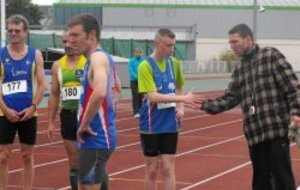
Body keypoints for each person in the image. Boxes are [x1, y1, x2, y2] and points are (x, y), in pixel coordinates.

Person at [197, 23, 300, 190]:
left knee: (283, 182)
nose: (232, 47)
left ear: (248, 39)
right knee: (260, 185)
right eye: (230, 43)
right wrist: (203, 104)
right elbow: (229, 99)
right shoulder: (240, 70)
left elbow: (293, 88)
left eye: (235, 42)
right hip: (254, 137)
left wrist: (296, 113)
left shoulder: (270, 55)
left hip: (276, 133)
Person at [137, 28, 202, 190]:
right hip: (151, 124)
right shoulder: (145, 66)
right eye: (168, 45)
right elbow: (152, 96)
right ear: (157, 44)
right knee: (152, 170)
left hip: (170, 123)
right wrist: (183, 99)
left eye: (173, 45)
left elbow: (179, 86)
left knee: (168, 168)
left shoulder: (174, 63)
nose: (172, 49)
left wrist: (181, 107)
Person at [67, 13, 117, 190]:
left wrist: (84, 124)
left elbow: (100, 92)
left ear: (92, 35)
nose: (70, 40)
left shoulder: (98, 58)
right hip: (94, 137)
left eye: (75, 35)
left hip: (97, 138)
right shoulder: (95, 60)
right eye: (69, 35)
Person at [0, 14, 46, 190]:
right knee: (3, 155)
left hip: (29, 113)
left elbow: (42, 85)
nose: (13, 33)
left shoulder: (35, 55)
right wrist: (5, 109)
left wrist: (33, 107)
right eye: (10, 30)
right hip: (5, 113)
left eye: (17, 30)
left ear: (25, 32)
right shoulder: (1, 54)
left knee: (27, 155)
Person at [47, 30, 86, 190]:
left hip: (88, 116)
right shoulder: (57, 65)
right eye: (64, 42)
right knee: (74, 161)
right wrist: (50, 122)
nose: (67, 45)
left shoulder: (88, 61)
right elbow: (55, 94)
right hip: (68, 116)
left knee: (93, 160)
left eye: (71, 41)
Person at [127, 47, 143, 117]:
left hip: (141, 82)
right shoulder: (131, 61)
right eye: (137, 52)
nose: (138, 53)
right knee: (135, 96)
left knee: (141, 96)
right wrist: (137, 77)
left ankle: (140, 110)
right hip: (134, 81)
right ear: (135, 53)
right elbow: (131, 71)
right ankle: (135, 112)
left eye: (140, 52)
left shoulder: (143, 61)